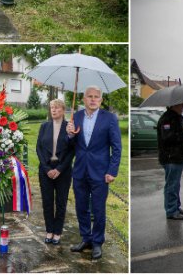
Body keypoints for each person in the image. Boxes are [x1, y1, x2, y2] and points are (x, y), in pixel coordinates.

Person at [66, 87, 121, 261]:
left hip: (100, 172)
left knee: (98, 209)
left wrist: (112, 171)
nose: (93, 99)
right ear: (83, 99)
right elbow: (71, 145)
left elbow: (117, 147)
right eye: (89, 96)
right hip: (80, 170)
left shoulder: (110, 118)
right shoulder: (77, 117)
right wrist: (69, 134)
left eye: (96, 97)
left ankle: (97, 242)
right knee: (81, 207)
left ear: (101, 100)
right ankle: (86, 239)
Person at [36, 99, 75, 241]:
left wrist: (59, 169)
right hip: (45, 170)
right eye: (52, 107)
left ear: (63, 110)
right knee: (47, 201)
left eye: (57, 108)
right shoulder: (44, 126)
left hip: (62, 170)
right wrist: (46, 169)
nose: (54, 110)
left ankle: (57, 232)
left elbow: (72, 151)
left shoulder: (69, 127)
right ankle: (49, 231)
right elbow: (38, 148)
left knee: (61, 202)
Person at [156, 102, 183, 221]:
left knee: (175, 184)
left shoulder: (178, 117)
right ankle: (171, 211)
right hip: (171, 157)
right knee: (171, 185)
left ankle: (176, 207)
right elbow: (167, 138)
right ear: (173, 105)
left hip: (178, 156)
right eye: (181, 104)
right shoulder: (167, 119)